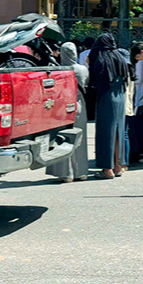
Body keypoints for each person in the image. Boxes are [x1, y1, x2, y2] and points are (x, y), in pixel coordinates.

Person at [47, 42, 90, 182]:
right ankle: (81, 171)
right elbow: (86, 83)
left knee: (62, 138)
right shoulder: (83, 69)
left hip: (62, 106)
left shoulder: (57, 70)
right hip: (79, 103)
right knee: (80, 137)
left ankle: (66, 173)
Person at [88, 33, 129, 179]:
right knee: (118, 133)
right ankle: (118, 166)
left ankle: (107, 169)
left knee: (106, 133)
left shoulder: (101, 59)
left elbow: (94, 81)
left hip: (107, 97)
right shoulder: (120, 57)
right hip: (120, 96)